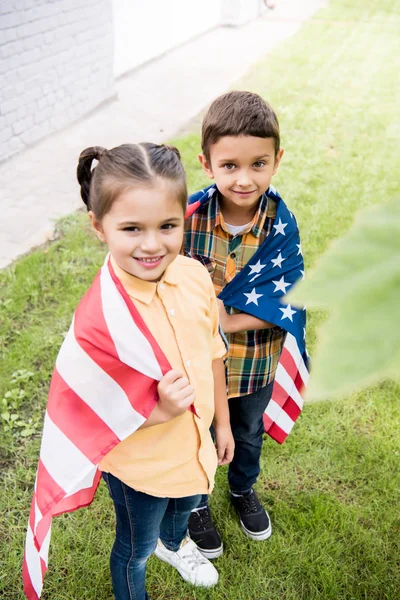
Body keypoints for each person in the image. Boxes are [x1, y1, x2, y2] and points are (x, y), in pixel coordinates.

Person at [23, 143, 234, 600]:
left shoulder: (195, 276)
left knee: (186, 507)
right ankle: (148, 556)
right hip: (142, 467)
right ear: (99, 227)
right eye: (132, 228)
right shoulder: (101, 322)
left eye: (168, 226)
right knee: (134, 548)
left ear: (184, 218)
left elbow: (213, 351)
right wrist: (159, 410)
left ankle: (175, 544)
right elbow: (91, 412)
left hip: (194, 446)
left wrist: (223, 421)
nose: (153, 244)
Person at [184, 91, 306, 558]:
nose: (244, 178)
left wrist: (228, 319)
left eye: (259, 163)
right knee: (198, 430)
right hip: (198, 364)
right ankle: (196, 502)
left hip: (254, 361)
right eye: (230, 165)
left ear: (277, 160)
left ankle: (241, 489)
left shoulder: (280, 224)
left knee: (247, 431)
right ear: (207, 163)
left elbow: (291, 296)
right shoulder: (187, 219)